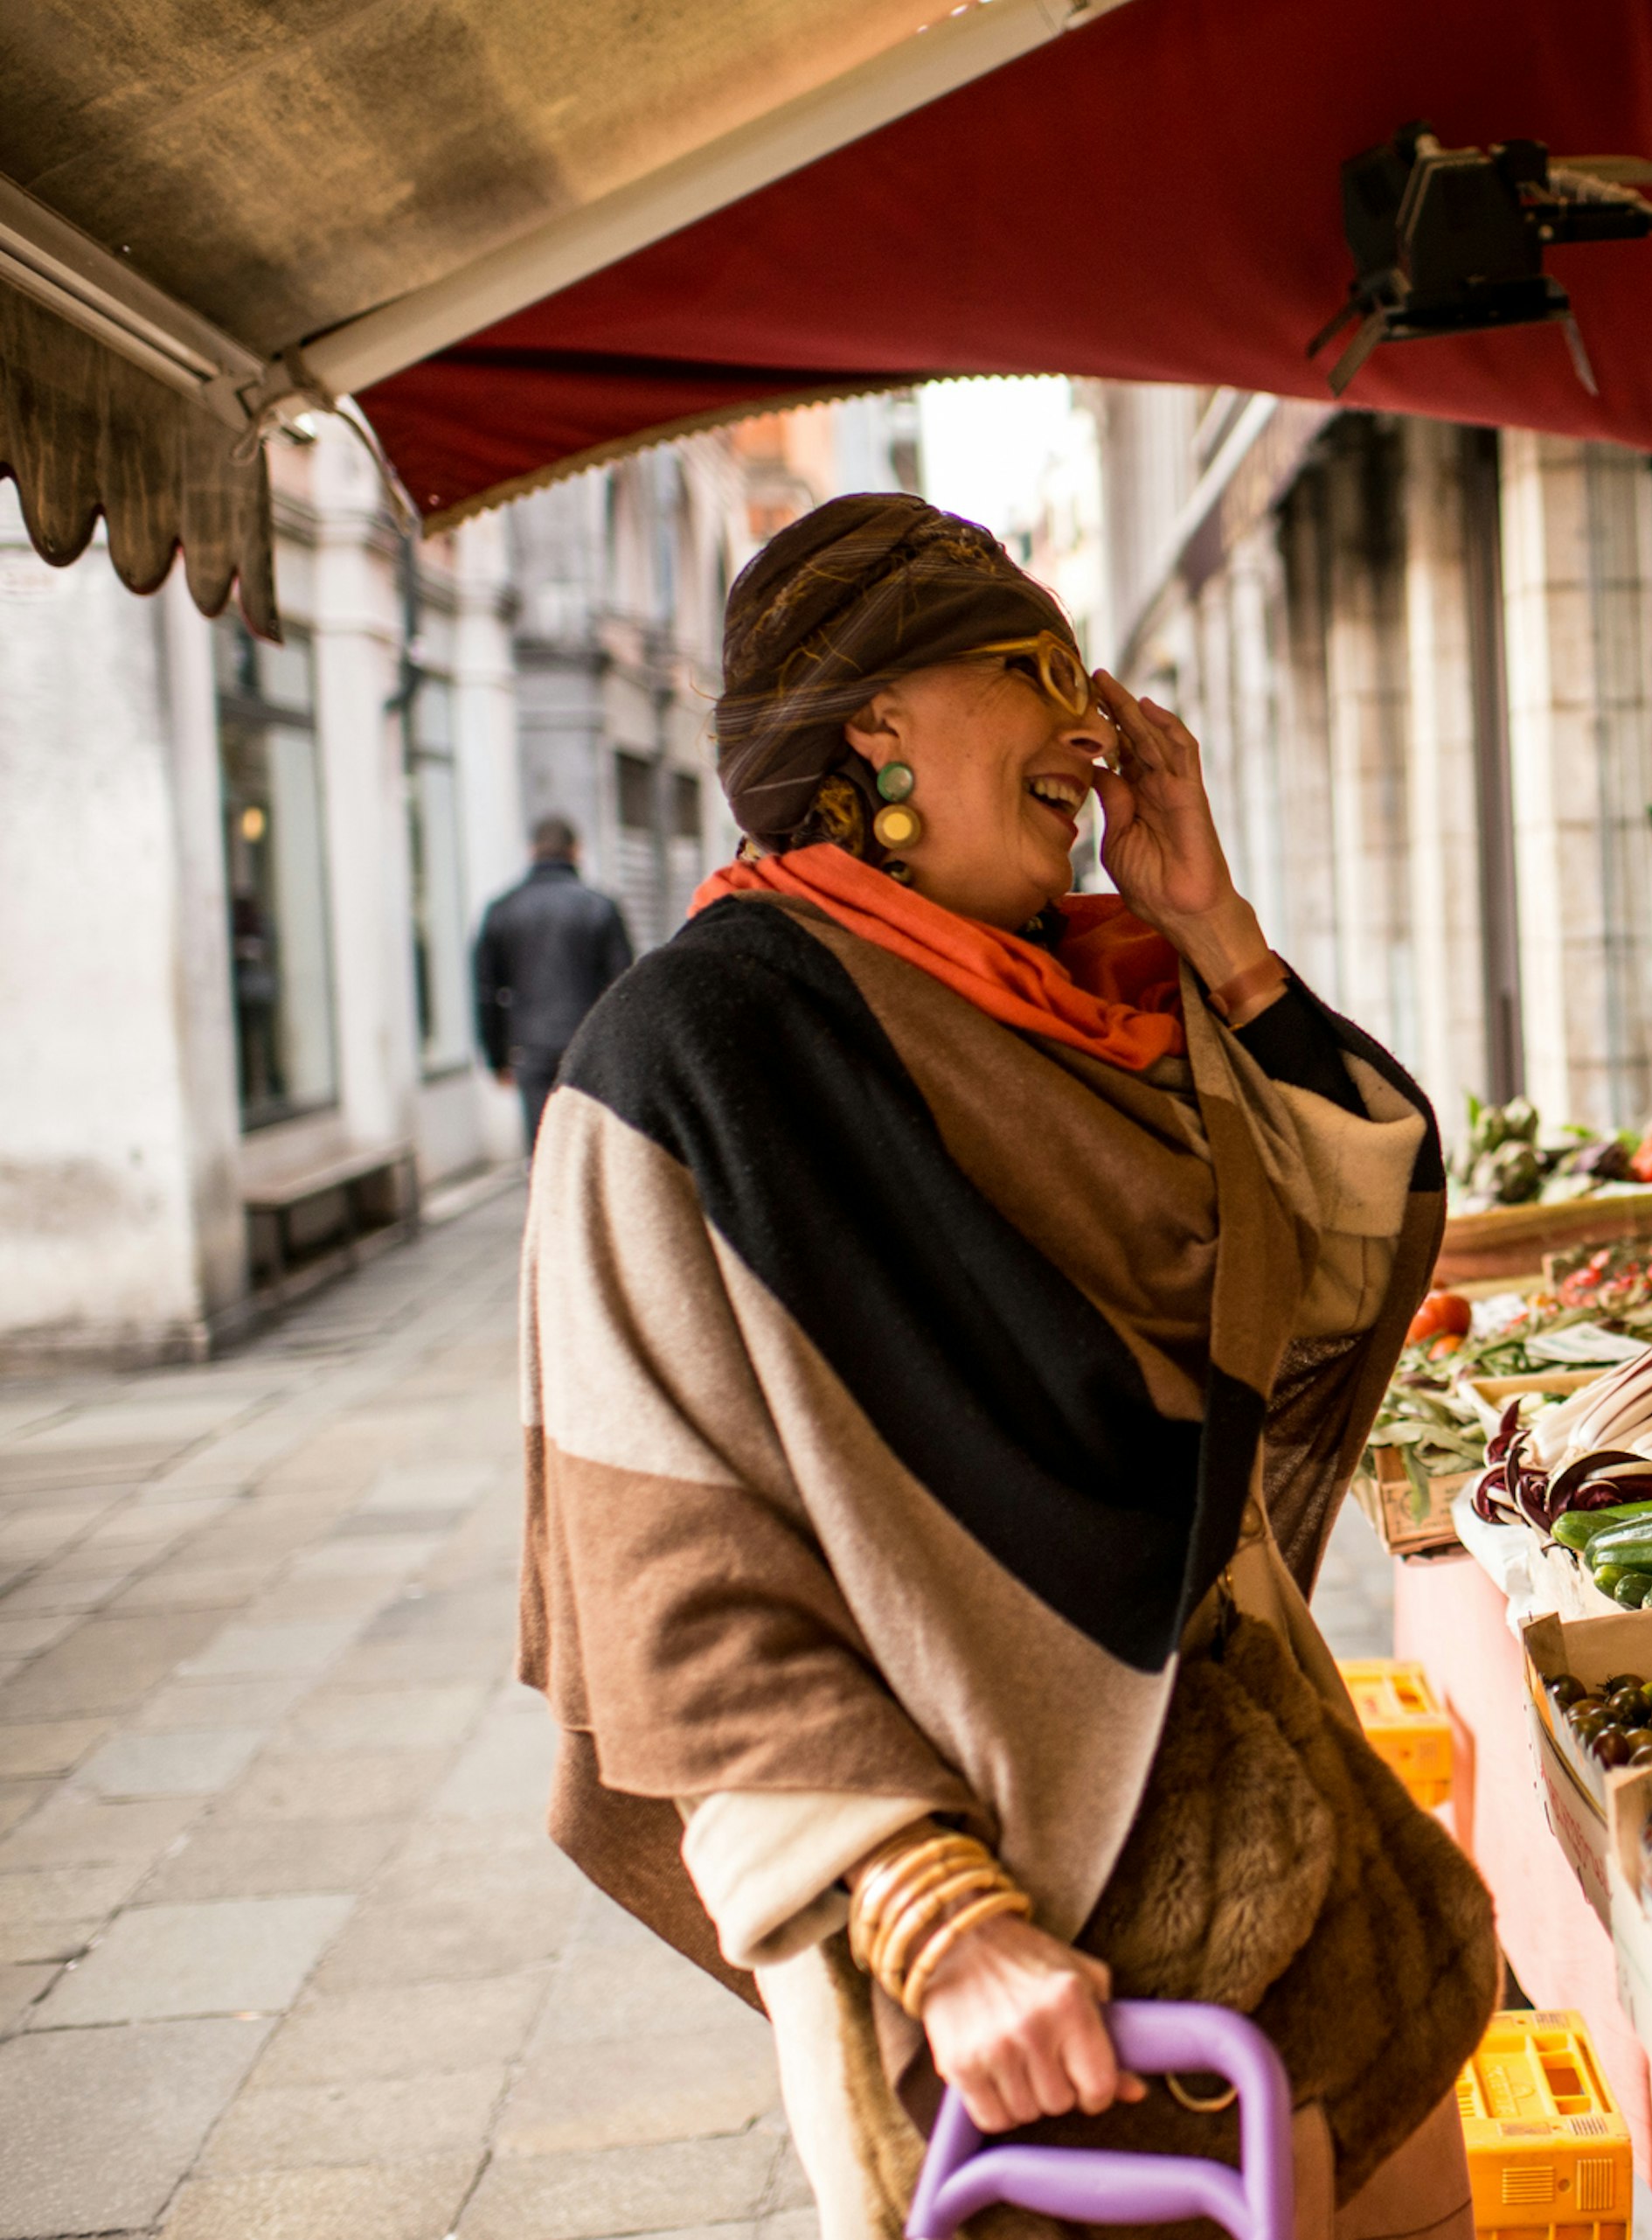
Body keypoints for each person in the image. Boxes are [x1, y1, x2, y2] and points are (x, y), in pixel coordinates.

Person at [516, 496, 1492, 2240]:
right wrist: (940, 1925)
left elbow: (1343, 1282)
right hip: (1028, 1977)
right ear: (873, 721)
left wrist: (1218, 933)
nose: (1092, 723)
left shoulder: (1110, 996)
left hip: (1313, 1873)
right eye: (1035, 671)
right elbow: (668, 1578)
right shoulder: (679, 1058)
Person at [475, 817, 635, 1149]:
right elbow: (624, 986)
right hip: (590, 1048)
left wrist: (496, 1058)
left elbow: (485, 992)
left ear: (531, 852)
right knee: (591, 1149)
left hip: (529, 1050)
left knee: (543, 1149)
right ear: (576, 851)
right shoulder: (600, 907)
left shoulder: (502, 910)